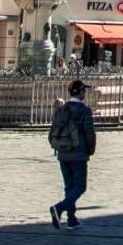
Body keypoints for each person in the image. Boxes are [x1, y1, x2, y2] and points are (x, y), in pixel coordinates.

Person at [48, 78, 98, 229]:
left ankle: (71, 219)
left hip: (63, 153)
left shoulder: (62, 109)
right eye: (84, 91)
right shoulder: (84, 111)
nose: (85, 93)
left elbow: (52, 132)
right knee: (80, 186)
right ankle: (59, 208)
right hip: (78, 153)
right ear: (81, 92)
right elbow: (89, 133)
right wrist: (90, 149)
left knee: (69, 187)